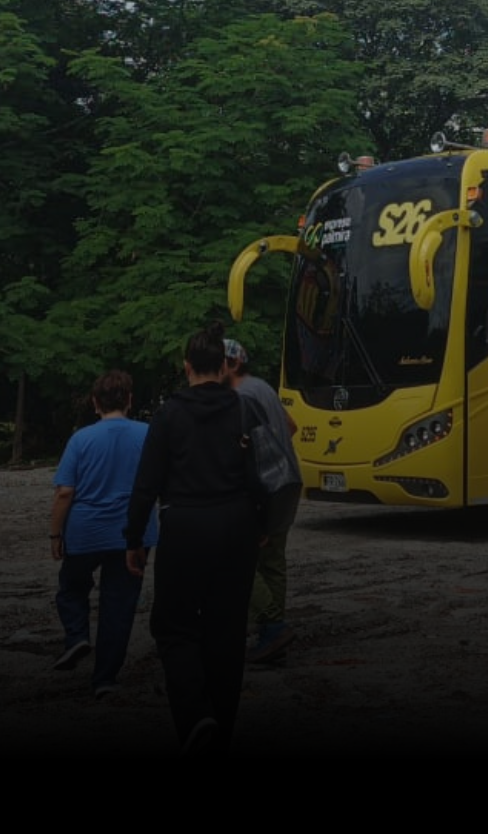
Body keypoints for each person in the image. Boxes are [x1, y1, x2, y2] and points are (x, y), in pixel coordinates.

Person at [125, 322, 260, 754]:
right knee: (228, 629)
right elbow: (258, 475)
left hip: (185, 525)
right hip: (236, 524)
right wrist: (260, 528)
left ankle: (196, 715)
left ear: (186, 367)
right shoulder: (243, 409)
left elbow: (146, 484)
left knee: (174, 625)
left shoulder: (169, 414)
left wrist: (134, 539)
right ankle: (221, 723)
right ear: (223, 366)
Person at [50, 369, 157, 699]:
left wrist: (55, 534)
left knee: (71, 587)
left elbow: (65, 492)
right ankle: (105, 679)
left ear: (95, 402)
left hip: (86, 531)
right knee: (119, 605)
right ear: (129, 400)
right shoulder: (148, 434)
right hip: (133, 533)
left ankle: (77, 635)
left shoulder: (81, 439)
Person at [223, 338, 302, 664]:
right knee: (273, 562)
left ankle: (273, 622)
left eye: (218, 363)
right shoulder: (263, 387)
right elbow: (291, 426)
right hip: (288, 481)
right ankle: (273, 639)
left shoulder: (240, 396)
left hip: (265, 486)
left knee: (239, 560)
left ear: (233, 364)